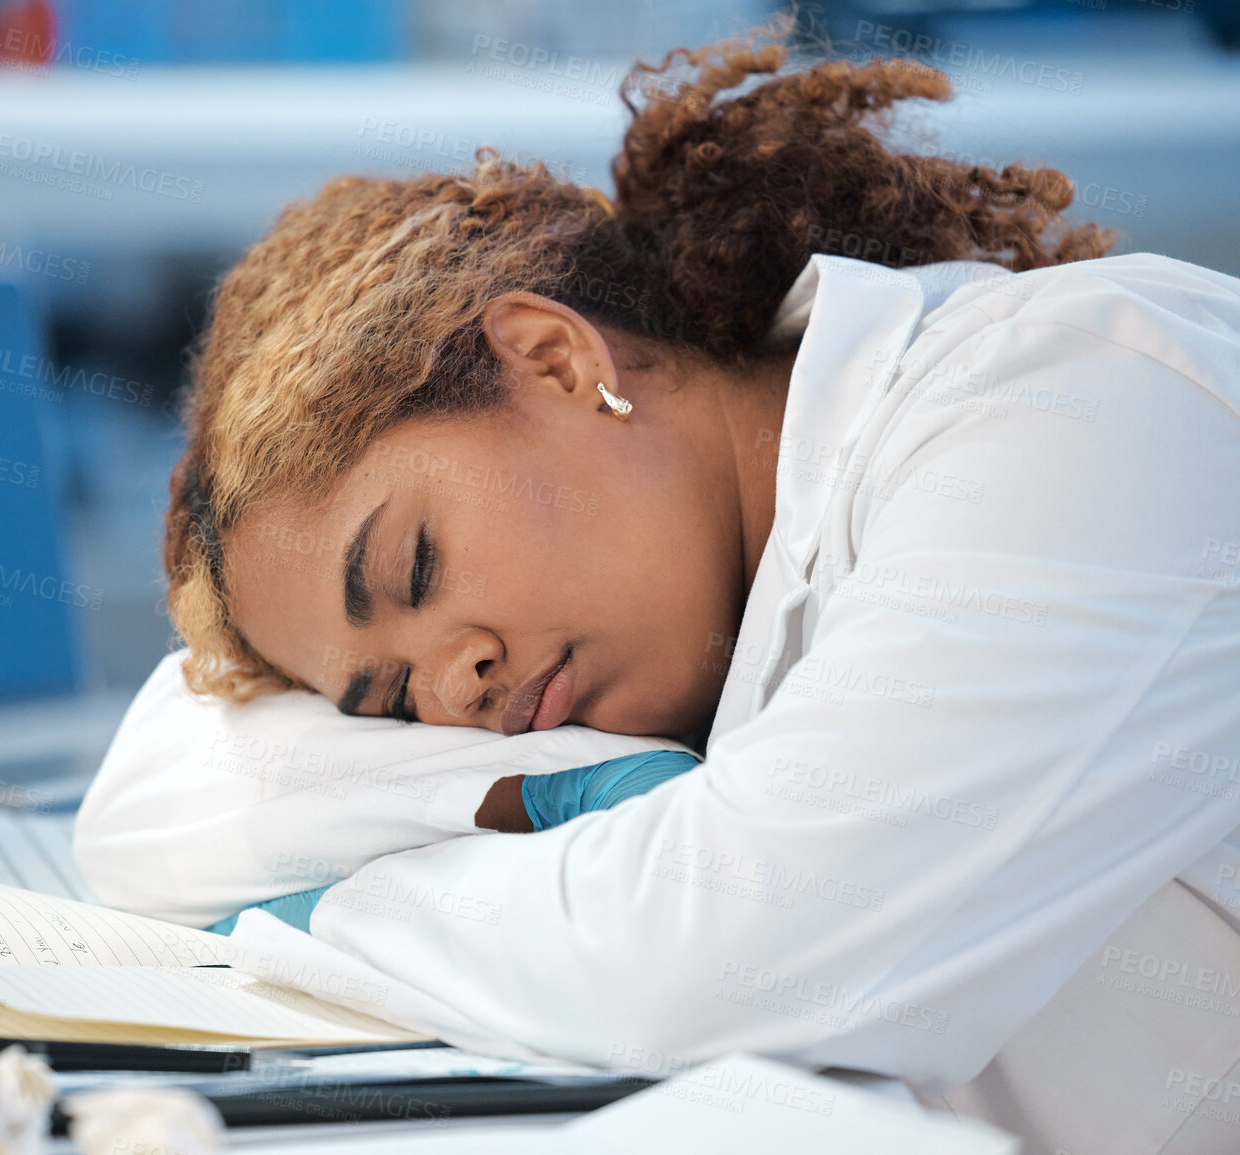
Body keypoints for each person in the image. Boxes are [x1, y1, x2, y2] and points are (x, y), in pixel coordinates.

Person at [101, 27, 1240, 1154]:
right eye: (391, 701)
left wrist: (325, 918)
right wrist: (566, 806)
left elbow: (707, 957)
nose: (457, 686)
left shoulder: (1080, 398)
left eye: (416, 568)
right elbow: (149, 809)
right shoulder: (717, 611)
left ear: (557, 359)